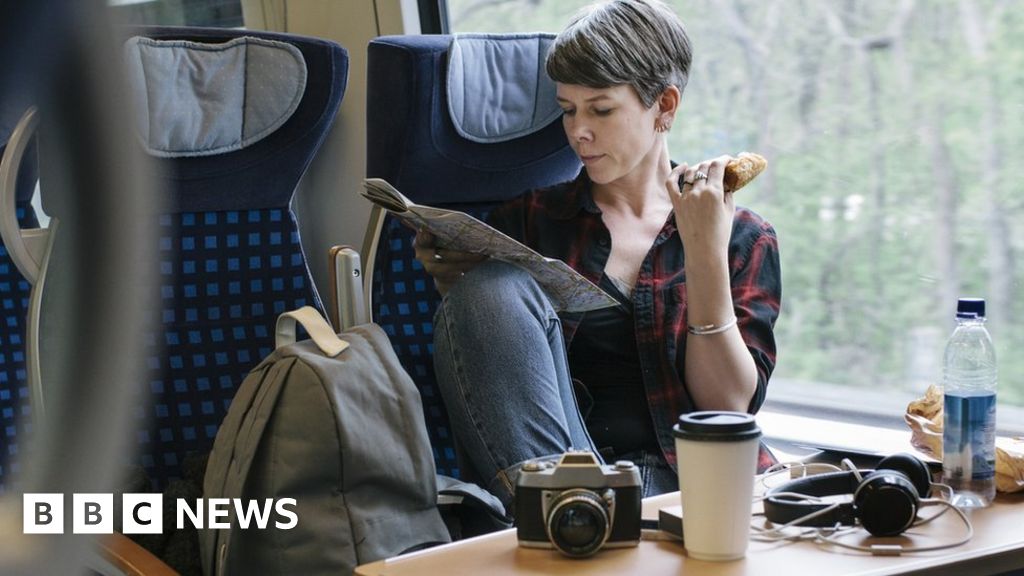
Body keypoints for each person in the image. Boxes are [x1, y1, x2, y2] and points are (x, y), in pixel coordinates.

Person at [414, 0, 780, 511]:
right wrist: (454, 288)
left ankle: (579, 526)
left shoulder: (743, 235)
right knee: (488, 292)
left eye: (601, 109)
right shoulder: (527, 224)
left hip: (703, 487)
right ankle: (573, 514)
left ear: (665, 106)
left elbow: (726, 409)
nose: (578, 131)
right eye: (568, 110)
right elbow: (497, 381)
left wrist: (703, 252)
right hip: (574, 478)